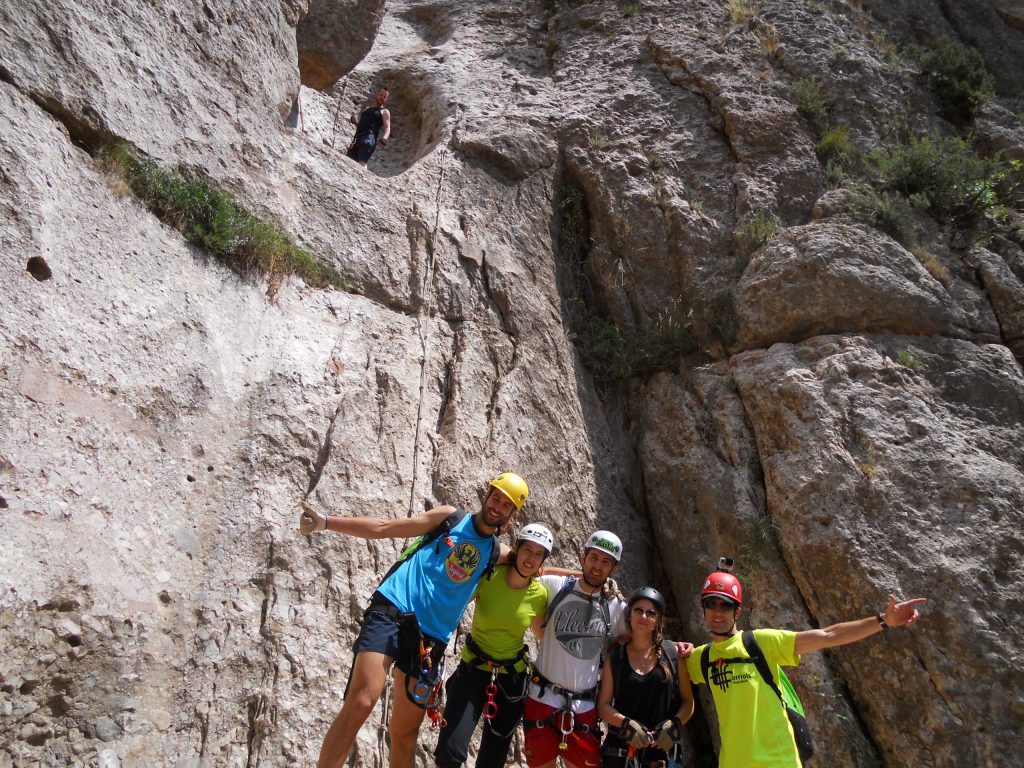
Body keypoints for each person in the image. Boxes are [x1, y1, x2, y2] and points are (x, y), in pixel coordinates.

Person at [299, 472, 529, 768]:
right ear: (486, 496)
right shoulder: (450, 518)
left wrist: (582, 579)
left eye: (506, 505)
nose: (497, 507)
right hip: (393, 610)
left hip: (430, 640)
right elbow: (385, 527)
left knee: (405, 735)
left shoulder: (497, 553)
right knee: (361, 702)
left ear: (512, 515)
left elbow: (533, 565)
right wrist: (326, 522)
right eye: (496, 498)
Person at [686, 559, 927, 768]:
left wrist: (884, 620)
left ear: (737, 611)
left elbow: (828, 635)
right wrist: (675, 649)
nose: (718, 612)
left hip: (778, 761)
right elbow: (666, 673)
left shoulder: (760, 642)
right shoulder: (700, 658)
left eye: (726, 605)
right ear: (703, 609)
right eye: (711, 604)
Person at [433, 523, 556, 768]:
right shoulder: (488, 576)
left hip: (511, 679)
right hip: (473, 671)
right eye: (527, 550)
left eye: (538, 554)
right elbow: (454, 601)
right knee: (449, 751)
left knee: (493, 760)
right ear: (516, 549)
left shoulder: (539, 594)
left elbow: (541, 634)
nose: (531, 559)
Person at [523, 530, 628, 768]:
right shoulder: (556, 587)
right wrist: (577, 574)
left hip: (584, 706)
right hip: (542, 697)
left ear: (614, 569)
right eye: (593, 558)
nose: (597, 566)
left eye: (605, 562)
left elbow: (639, 637)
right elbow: (535, 572)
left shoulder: (615, 606)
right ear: (583, 557)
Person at [598, 587, 695, 767]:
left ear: (658, 620)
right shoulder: (616, 655)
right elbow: (603, 705)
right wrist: (626, 724)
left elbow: (688, 701)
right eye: (638, 610)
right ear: (629, 615)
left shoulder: (673, 654)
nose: (643, 616)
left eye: (651, 613)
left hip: (661, 756)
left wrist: (674, 724)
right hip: (620, 755)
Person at [346, 86, 391, 166]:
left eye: (384, 97)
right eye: (381, 95)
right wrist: (355, 123)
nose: (382, 97)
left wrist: (384, 139)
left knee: (360, 165)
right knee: (348, 164)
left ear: (386, 99)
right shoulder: (368, 109)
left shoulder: (384, 112)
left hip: (368, 138)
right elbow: (364, 125)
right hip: (357, 139)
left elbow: (387, 127)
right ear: (377, 94)